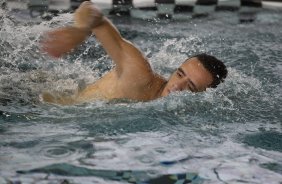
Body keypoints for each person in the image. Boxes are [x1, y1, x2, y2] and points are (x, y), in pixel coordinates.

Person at [41, 1, 227, 105]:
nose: (177, 86)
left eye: (191, 87)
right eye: (179, 74)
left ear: (204, 96)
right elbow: (90, 9)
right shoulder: (137, 74)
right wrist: (80, 30)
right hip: (40, 103)